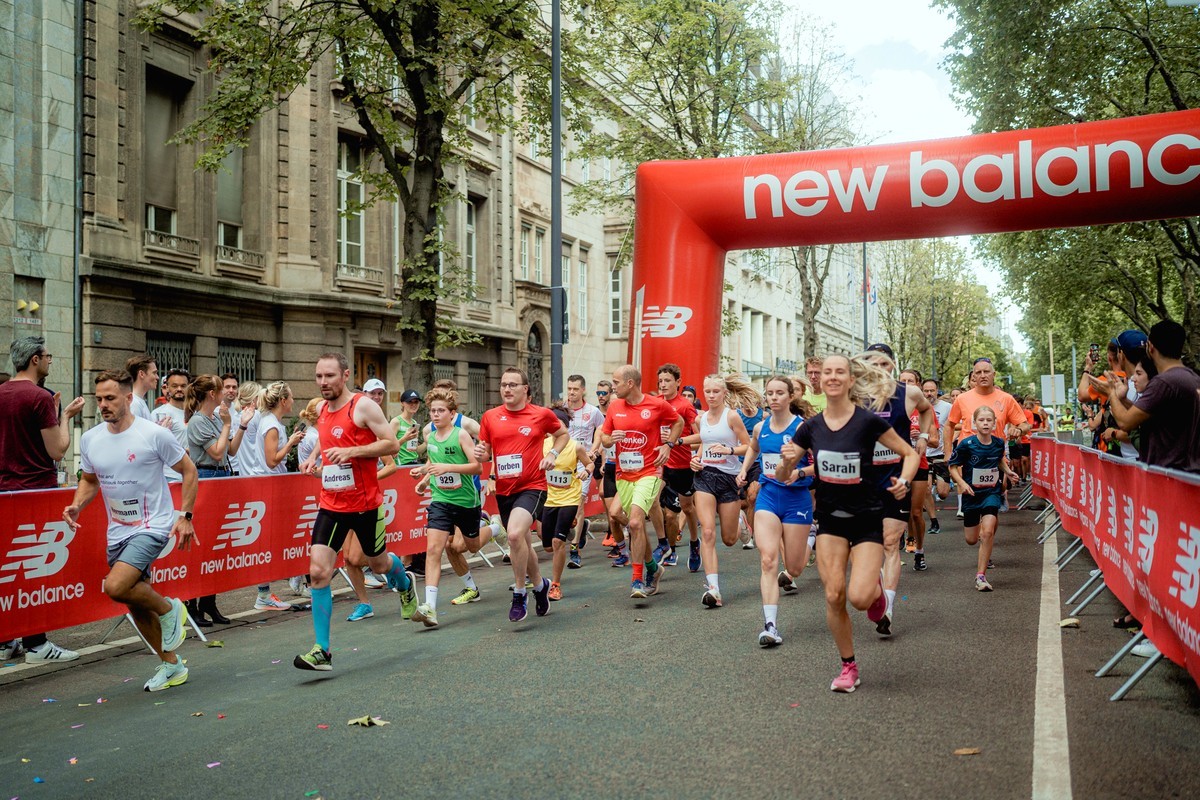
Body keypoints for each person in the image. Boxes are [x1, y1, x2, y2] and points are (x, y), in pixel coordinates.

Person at [776, 354, 918, 692]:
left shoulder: (868, 422)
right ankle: (848, 667)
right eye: (827, 372)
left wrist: (904, 481)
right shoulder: (810, 427)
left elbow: (910, 454)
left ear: (851, 380)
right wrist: (787, 464)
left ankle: (876, 594)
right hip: (830, 521)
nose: (832, 377)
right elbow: (783, 475)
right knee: (834, 594)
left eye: (840, 371)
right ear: (820, 380)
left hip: (867, 519)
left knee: (859, 598)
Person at [64, 369, 198, 691]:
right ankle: (172, 666)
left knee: (115, 586)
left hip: (153, 525)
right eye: (99, 399)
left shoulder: (153, 434)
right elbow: (90, 481)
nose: (103, 405)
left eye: (110, 398)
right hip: (118, 530)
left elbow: (189, 470)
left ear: (127, 398)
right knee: (135, 600)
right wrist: (77, 504)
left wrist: (185, 515)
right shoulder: (91, 439)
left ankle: (170, 609)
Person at [293, 352, 417, 671]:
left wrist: (352, 451)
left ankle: (404, 584)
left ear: (345, 375)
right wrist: (314, 458)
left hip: (365, 506)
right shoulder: (322, 409)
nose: (323, 382)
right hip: (331, 504)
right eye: (319, 376)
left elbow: (392, 445)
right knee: (318, 572)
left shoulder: (363, 406)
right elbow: (327, 438)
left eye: (330, 376)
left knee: (378, 564)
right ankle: (322, 650)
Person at [0, 336, 85, 664]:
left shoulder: (2, 392)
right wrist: (65, 416)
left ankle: (7, 640)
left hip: (5, 491)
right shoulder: (38, 397)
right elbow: (57, 450)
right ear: (35, 359)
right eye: (47, 356)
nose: (50, 361)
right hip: (35, 491)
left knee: (10, 569)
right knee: (35, 569)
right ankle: (37, 644)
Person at [476, 367, 569, 621]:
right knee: (523, 544)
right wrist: (479, 454)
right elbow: (485, 451)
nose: (507, 389)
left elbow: (562, 434)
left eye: (513, 385)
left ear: (525, 389)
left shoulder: (541, 414)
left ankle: (520, 593)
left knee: (515, 535)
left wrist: (552, 454)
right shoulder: (491, 417)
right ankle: (540, 586)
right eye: (504, 384)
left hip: (533, 486)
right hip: (505, 490)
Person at [862, 345, 934, 637]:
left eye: (885, 363)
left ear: (892, 365)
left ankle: (888, 609)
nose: (880, 368)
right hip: (865, 481)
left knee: (891, 542)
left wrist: (924, 436)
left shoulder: (909, 393)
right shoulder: (855, 394)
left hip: (898, 478)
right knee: (869, 544)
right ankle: (875, 588)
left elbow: (926, 410)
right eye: (874, 363)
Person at [737, 375, 814, 646]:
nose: (774, 397)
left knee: (794, 567)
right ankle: (770, 626)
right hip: (768, 497)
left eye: (780, 393)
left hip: (796, 501)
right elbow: (753, 448)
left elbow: (823, 462)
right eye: (770, 393)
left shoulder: (803, 428)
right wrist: (744, 470)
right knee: (768, 560)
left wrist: (800, 472)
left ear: (791, 396)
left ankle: (811, 536)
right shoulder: (761, 428)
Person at [600, 365, 682, 599]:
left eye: (616, 383)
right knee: (625, 520)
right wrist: (610, 439)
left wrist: (669, 445)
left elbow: (677, 422)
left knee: (636, 522)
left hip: (649, 472)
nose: (613, 387)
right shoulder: (615, 407)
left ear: (630, 383)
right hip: (624, 475)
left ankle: (637, 580)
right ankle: (653, 568)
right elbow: (604, 438)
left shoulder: (656, 404)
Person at [410, 388, 487, 628]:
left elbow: (477, 468)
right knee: (434, 549)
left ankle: (493, 528)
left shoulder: (461, 435)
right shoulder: (431, 437)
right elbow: (433, 462)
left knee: (471, 547)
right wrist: (424, 477)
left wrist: (448, 468)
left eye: (440, 410)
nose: (435, 415)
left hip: (466, 502)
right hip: (440, 500)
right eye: (432, 411)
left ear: (452, 414)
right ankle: (430, 607)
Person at [684, 374, 755, 609]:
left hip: (728, 479)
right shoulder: (701, 418)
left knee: (729, 539)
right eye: (708, 391)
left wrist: (729, 450)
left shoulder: (731, 416)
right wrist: (696, 459)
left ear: (724, 393)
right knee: (707, 532)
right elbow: (704, 443)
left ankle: (741, 521)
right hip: (705, 477)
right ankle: (713, 589)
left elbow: (749, 446)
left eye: (716, 391)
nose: (711, 395)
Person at [184, 374, 248, 626]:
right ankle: (192, 604)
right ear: (212, 394)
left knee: (215, 545)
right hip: (206, 477)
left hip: (220, 476)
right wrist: (227, 424)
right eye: (221, 390)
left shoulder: (213, 418)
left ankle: (209, 601)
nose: (225, 394)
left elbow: (231, 450)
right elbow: (218, 452)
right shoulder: (198, 421)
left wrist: (241, 426)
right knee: (203, 544)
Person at [240, 380, 305, 610]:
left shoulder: (272, 422)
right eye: (291, 397)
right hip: (267, 485)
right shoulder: (271, 425)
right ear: (283, 400)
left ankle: (273, 587)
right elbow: (271, 460)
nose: (294, 401)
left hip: (272, 484)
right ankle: (264, 593)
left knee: (273, 539)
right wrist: (292, 443)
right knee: (267, 541)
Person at [1104, 320, 1200, 473]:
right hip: (1187, 473)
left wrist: (1111, 393)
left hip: (1168, 474)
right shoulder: (1193, 378)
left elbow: (1125, 422)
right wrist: (1123, 399)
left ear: (1151, 347)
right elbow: (1150, 416)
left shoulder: (1164, 382)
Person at [943, 358, 1030, 521]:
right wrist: (948, 452)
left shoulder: (1006, 399)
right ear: (973, 376)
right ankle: (973, 520)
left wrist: (1018, 430)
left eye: (986, 371)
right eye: (978, 372)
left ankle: (988, 525)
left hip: (994, 457)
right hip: (969, 458)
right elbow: (949, 425)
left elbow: (1025, 424)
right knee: (973, 510)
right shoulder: (962, 399)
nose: (983, 375)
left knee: (995, 500)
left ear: (993, 374)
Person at [948, 406, 1016, 591]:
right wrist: (962, 483)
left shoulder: (999, 443)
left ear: (994, 424)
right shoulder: (966, 444)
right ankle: (980, 537)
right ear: (974, 423)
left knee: (987, 532)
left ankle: (981, 577)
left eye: (989, 420)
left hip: (991, 493)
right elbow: (952, 467)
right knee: (971, 539)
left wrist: (1008, 472)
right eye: (981, 420)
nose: (985, 423)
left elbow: (999, 460)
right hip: (971, 494)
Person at [540, 404, 593, 601]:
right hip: (549, 498)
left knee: (557, 542)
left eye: (559, 424)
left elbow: (589, 463)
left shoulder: (575, 446)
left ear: (566, 426)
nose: (555, 428)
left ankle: (555, 585)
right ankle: (575, 529)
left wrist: (586, 471)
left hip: (570, 497)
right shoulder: (543, 444)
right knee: (547, 546)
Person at [655, 363, 700, 569]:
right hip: (660, 465)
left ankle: (694, 543)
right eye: (660, 381)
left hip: (682, 466)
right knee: (662, 509)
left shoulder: (685, 406)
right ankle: (668, 548)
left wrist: (677, 440)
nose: (663, 385)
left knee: (687, 508)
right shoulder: (655, 403)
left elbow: (701, 437)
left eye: (667, 381)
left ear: (678, 382)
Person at [564, 375, 603, 568]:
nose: (571, 392)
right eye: (569, 388)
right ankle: (580, 528)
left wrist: (594, 450)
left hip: (583, 463)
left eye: (575, 389)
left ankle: (574, 550)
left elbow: (602, 431)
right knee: (564, 507)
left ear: (583, 390)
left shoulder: (593, 412)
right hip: (563, 464)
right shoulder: (562, 409)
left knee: (578, 504)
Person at [899, 369, 932, 571]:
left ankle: (919, 551)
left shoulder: (920, 406)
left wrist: (922, 436)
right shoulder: (892, 403)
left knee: (917, 512)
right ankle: (898, 543)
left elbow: (933, 436)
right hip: (897, 462)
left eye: (910, 380)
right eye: (903, 380)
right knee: (896, 511)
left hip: (919, 462)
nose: (906, 384)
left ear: (918, 384)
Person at [921, 378, 951, 532]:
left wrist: (949, 444)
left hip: (940, 453)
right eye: (926, 391)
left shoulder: (947, 407)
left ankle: (936, 486)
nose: (929, 394)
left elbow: (957, 425)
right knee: (925, 488)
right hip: (923, 453)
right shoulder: (916, 406)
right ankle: (934, 522)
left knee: (943, 492)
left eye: (932, 391)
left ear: (937, 391)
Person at [153, 369, 191, 482]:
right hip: (169, 475)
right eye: (175, 386)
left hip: (193, 473)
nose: (179, 389)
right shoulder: (158, 414)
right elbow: (153, 445)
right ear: (167, 387)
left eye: (183, 386)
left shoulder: (195, 412)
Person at [392, 389, 424, 468]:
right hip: (401, 464)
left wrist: (428, 441)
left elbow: (414, 449)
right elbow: (389, 447)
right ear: (402, 403)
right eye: (410, 402)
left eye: (416, 402)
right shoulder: (396, 421)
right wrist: (404, 438)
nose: (413, 405)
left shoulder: (414, 422)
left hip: (415, 462)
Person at [124, 353, 160, 422]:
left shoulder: (138, 401)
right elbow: (133, 428)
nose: (157, 377)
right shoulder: (134, 403)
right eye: (154, 373)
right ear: (141, 374)